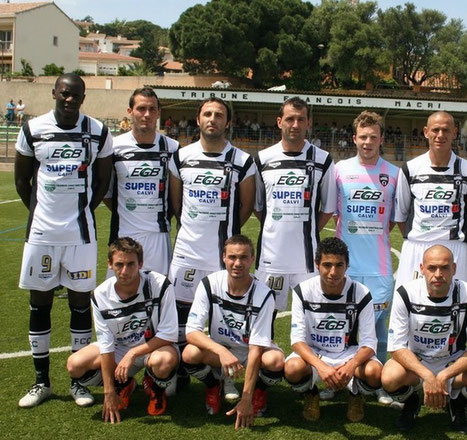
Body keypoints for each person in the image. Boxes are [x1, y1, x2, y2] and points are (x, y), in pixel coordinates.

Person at [14, 73, 113, 408]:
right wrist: (42, 215)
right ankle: (41, 382)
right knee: (39, 303)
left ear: (83, 98)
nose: (70, 100)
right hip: (42, 235)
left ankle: (78, 382)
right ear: (55, 92)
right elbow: (21, 179)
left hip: (81, 235)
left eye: (77, 95)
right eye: (65, 94)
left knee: (80, 304)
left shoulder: (98, 132)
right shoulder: (33, 129)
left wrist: (81, 212)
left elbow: (102, 182)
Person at [168, 97, 255, 397]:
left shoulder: (242, 160)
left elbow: (245, 206)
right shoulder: (180, 156)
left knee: (225, 319)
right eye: (208, 114)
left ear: (227, 122)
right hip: (187, 251)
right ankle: (179, 373)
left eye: (219, 115)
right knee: (181, 316)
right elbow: (176, 203)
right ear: (198, 118)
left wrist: (226, 232)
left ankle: (225, 376)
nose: (213, 119)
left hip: (222, 254)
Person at [382, 245, 467, 433]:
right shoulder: (406, 293)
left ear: (454, 269)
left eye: (444, 268)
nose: (438, 274)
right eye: (432, 268)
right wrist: (427, 375)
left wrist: (443, 376)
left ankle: (457, 404)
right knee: (389, 377)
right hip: (417, 363)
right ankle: (413, 401)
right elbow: (396, 347)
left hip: (453, 363)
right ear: (422, 268)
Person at [65, 238, 178, 422]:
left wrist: (133, 353)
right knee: (75, 365)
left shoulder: (160, 284)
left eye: (131, 264)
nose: (125, 271)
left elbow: (169, 334)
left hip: (152, 348)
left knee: (165, 360)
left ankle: (155, 388)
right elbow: (106, 344)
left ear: (140, 264)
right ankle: (123, 384)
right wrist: (109, 391)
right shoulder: (101, 295)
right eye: (119, 264)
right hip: (119, 349)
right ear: (110, 264)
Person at [182, 235, 284, 428]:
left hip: (250, 351)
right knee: (189, 353)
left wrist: (246, 398)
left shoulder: (264, 295)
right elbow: (191, 332)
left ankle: (258, 392)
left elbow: (256, 349)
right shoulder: (209, 284)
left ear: (252, 259)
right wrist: (222, 352)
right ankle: (214, 385)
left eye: (244, 257)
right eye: (232, 257)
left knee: (275, 361)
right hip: (221, 350)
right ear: (223, 258)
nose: (237, 263)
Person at [333, 110, 398, 405]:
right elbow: (332, 212)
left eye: (373, 137)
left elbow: (394, 220)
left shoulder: (395, 174)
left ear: (381, 139)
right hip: (345, 268)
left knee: (378, 331)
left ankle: (378, 383)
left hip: (379, 269)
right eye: (363, 137)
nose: (368, 142)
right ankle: (338, 380)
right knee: (340, 326)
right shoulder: (339, 170)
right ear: (354, 138)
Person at [284, 237, 382, 422]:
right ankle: (311, 394)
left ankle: (355, 396)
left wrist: (351, 365)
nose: (333, 272)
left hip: (348, 353)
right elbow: (297, 340)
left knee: (375, 373)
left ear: (347, 265)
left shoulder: (361, 293)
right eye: (327, 265)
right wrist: (320, 366)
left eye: (339, 265)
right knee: (292, 369)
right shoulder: (302, 291)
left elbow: (369, 342)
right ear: (317, 264)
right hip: (315, 353)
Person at [253, 97, 336, 311]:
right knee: (265, 316)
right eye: (290, 119)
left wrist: (306, 226)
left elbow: (327, 207)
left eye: (301, 119)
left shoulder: (323, 159)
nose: (295, 125)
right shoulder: (262, 159)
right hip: (271, 258)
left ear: (309, 123)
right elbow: (258, 205)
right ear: (279, 121)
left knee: (312, 318)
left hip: (306, 260)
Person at [394, 111, 467, 289]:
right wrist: (420, 236)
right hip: (416, 247)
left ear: (455, 133)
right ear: (426, 132)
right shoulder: (410, 169)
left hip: (455, 248)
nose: (440, 135)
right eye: (435, 130)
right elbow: (401, 215)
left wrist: (460, 242)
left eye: (446, 130)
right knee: (409, 304)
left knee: (453, 307)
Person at [105, 88, 179, 276]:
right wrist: (126, 210)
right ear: (130, 112)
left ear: (158, 113)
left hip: (158, 236)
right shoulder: (114, 147)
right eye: (141, 108)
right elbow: (107, 192)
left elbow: (176, 194)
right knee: (119, 294)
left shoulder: (172, 148)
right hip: (123, 233)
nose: (147, 114)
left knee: (156, 295)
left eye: (152, 109)